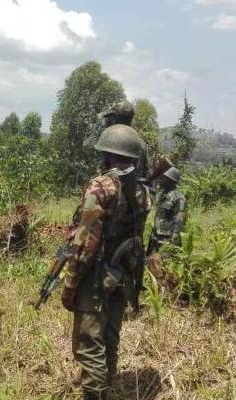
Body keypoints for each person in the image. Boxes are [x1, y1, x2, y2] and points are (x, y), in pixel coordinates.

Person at [59, 124, 151, 399]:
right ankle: (107, 385)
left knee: (89, 342)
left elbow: (85, 242)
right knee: (110, 334)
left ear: (108, 155)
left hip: (97, 274)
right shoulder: (143, 191)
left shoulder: (102, 186)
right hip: (124, 271)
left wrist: (71, 282)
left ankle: (95, 393)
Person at [101, 100, 151, 182]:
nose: (108, 121)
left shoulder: (110, 140)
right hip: (136, 191)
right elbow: (147, 172)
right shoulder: (140, 142)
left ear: (115, 118)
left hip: (115, 189)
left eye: (111, 118)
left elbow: (104, 170)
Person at [148, 167, 187, 252]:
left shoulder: (179, 198)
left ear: (170, 180)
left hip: (166, 241)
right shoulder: (163, 196)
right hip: (155, 238)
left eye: (163, 178)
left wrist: (173, 245)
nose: (159, 180)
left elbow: (179, 222)